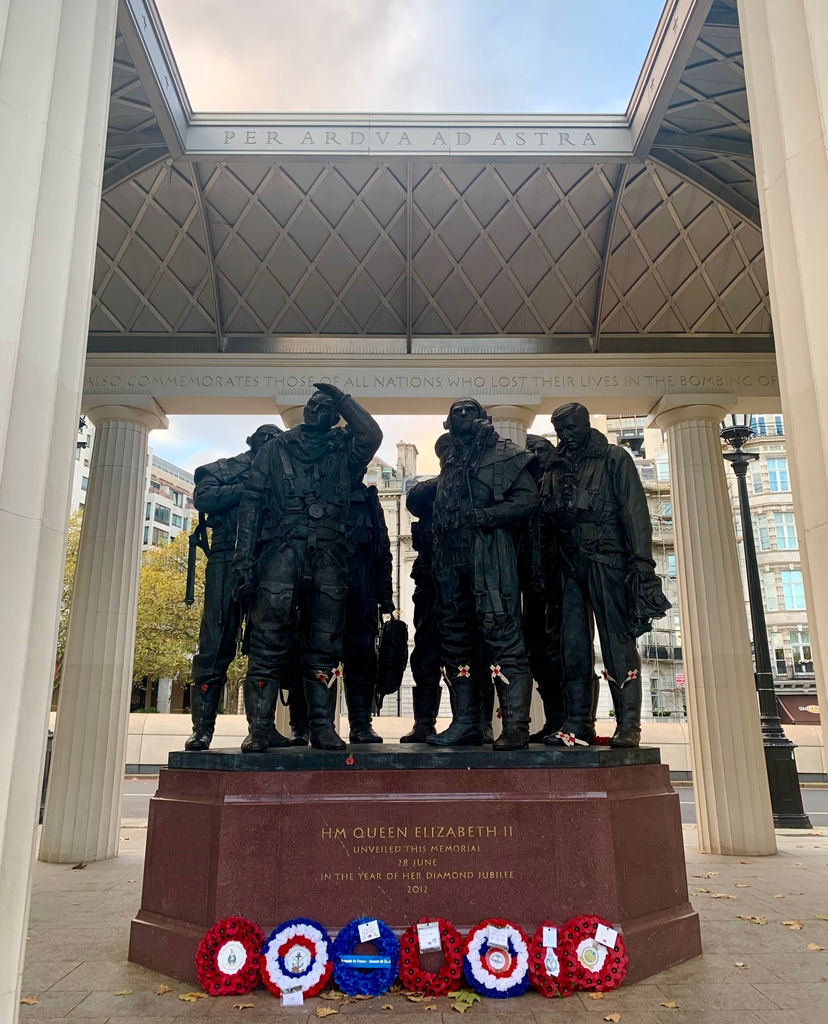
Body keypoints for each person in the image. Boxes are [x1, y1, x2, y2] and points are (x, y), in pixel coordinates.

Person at [232, 384, 382, 751]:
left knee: (326, 643)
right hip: (281, 551)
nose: (315, 411)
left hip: (330, 555)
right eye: (311, 405)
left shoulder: (346, 449)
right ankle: (260, 728)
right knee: (267, 641)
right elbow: (251, 504)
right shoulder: (274, 448)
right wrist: (242, 559)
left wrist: (345, 398)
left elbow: (372, 434)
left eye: (325, 407)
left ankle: (322, 726)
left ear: (336, 417)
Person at [540, 403, 670, 748]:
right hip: (566, 565)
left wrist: (642, 564)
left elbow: (635, 514)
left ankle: (629, 725)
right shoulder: (553, 466)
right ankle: (578, 723)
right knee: (573, 647)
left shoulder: (615, 458)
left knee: (617, 642)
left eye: (569, 428)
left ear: (584, 425)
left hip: (608, 561)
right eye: (559, 430)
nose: (564, 436)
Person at [428, 399, 539, 750]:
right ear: (448, 422)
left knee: (503, 637)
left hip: (488, 555)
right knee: (456, 641)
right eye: (456, 412)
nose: (462, 415)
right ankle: (466, 723)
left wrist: (489, 516)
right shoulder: (449, 460)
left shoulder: (505, 452)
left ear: (483, 419)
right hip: (450, 559)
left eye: (469, 410)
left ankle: (516, 726)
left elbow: (528, 500)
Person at [184, 424, 283, 751]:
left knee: (267, 645)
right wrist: (251, 486)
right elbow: (205, 498)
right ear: (250, 441)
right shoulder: (219, 469)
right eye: (263, 437)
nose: (270, 442)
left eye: (275, 438)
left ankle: (262, 728)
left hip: (269, 560)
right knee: (214, 644)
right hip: (226, 559)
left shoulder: (286, 476)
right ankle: (202, 730)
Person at [288, 481, 394, 744]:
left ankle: (360, 723)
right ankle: (303, 725)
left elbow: (382, 550)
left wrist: (385, 594)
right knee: (313, 653)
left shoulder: (369, 500)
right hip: (319, 583)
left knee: (362, 655)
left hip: (362, 587)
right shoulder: (317, 489)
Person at [520, 435, 566, 742]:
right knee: (536, 652)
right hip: (529, 585)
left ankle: (569, 720)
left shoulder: (561, 488)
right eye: (531, 452)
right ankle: (553, 719)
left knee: (562, 651)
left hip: (558, 581)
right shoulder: (521, 494)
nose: (536, 456)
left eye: (541, 450)